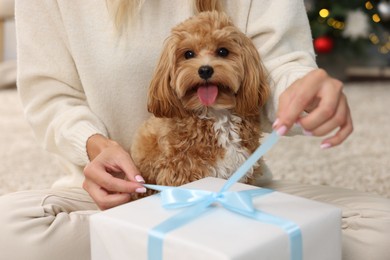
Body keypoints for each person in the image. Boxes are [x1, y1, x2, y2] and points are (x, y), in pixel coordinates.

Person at [0, 0, 388, 259]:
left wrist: (306, 93)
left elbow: (278, 65)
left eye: (220, 53)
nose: (204, 65)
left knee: (381, 228)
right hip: (124, 196)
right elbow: (50, 92)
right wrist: (94, 146)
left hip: (239, 192)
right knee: (9, 228)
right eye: (190, 56)